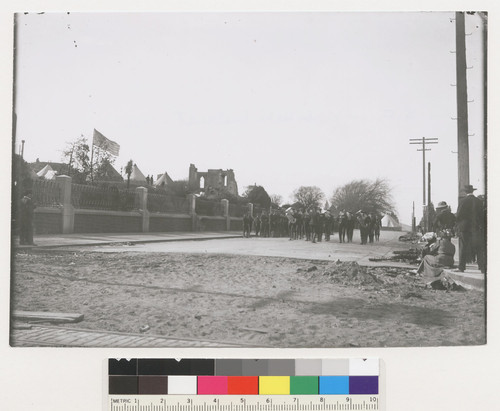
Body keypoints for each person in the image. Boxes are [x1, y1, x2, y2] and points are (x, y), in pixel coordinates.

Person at [455, 185, 485, 273]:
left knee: (463, 247)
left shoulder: (463, 201)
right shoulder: (479, 201)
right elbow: (481, 216)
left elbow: (458, 215)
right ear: (472, 191)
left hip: (464, 228)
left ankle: (461, 267)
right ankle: (482, 267)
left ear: (465, 192)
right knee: (479, 247)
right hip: (476, 227)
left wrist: (458, 225)